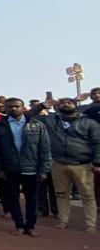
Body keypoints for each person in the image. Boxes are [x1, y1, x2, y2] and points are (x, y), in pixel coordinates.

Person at [37, 97, 100, 234]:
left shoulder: (89, 123)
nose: (65, 104)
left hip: (82, 164)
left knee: (88, 196)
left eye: (69, 102)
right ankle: (63, 220)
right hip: (58, 163)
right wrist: (42, 105)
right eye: (62, 103)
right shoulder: (51, 120)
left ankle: (91, 223)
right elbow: (27, 117)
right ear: (57, 106)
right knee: (61, 194)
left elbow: (97, 143)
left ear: (76, 105)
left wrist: (97, 162)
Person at [0, 99, 51, 237]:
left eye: (17, 106)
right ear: (6, 108)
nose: (13, 109)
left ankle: (31, 226)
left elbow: (45, 149)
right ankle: (19, 225)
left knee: (32, 199)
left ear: (23, 108)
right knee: (13, 198)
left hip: (31, 167)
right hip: (9, 168)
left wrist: (44, 169)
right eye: (10, 107)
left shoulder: (37, 125)